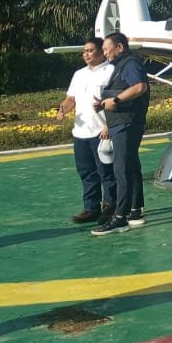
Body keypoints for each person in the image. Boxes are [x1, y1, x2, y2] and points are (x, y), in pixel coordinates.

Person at [91, 32, 151, 235]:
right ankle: (135, 209)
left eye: (107, 49)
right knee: (131, 165)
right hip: (121, 123)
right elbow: (126, 89)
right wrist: (104, 104)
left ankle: (120, 217)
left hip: (127, 124)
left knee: (121, 168)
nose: (105, 52)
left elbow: (139, 87)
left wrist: (115, 101)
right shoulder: (121, 66)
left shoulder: (130, 64)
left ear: (120, 47)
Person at [57, 38, 117, 224]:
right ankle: (91, 208)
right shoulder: (79, 74)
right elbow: (70, 98)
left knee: (106, 172)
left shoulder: (111, 71)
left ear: (101, 52)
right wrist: (63, 109)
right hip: (81, 133)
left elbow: (116, 100)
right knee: (86, 172)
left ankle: (111, 206)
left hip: (101, 132)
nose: (86, 54)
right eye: (84, 51)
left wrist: (109, 125)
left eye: (90, 50)